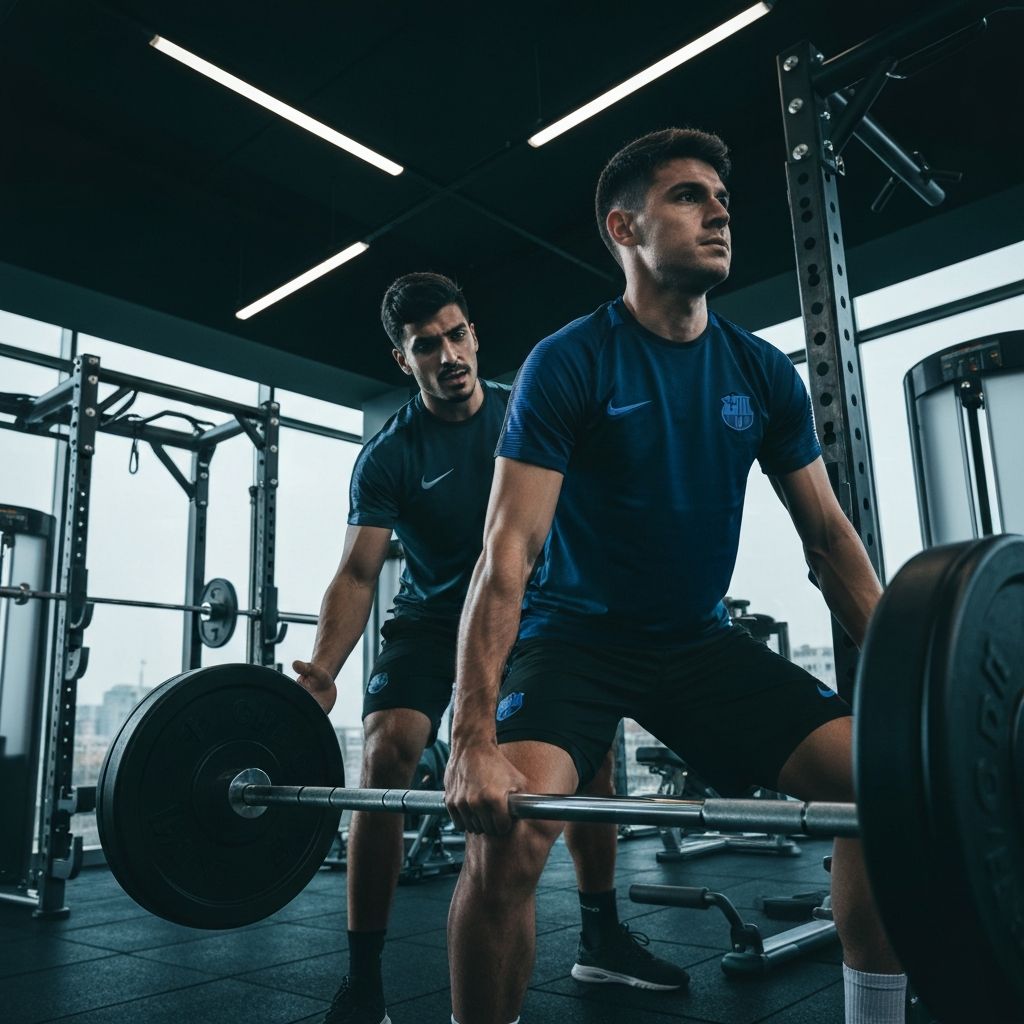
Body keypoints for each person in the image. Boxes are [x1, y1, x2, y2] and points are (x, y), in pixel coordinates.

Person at [444, 128, 906, 1024]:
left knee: (883, 788)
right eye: (689, 196)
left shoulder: (761, 372)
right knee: (510, 832)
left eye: (721, 197)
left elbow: (829, 541)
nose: (720, 209)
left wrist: (917, 686)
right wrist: (469, 736)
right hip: (572, 637)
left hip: (696, 643)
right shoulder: (570, 361)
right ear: (625, 227)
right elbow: (509, 555)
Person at [293, 272, 689, 1024]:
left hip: (527, 614)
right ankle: (364, 978)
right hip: (432, 620)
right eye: (425, 346)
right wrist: (324, 668)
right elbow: (356, 572)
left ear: (473, 334)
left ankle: (600, 938)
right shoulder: (388, 456)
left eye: (455, 334)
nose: (447, 355)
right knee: (385, 756)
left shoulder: (525, 409)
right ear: (401, 361)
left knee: (594, 752)